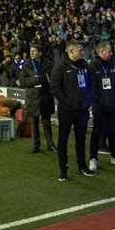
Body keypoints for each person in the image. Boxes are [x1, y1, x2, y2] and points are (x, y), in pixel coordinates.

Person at [50, 40, 95, 181]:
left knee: (81, 139)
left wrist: (89, 100)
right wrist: (69, 102)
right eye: (79, 50)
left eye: (82, 50)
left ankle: (82, 166)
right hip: (67, 111)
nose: (82, 52)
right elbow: (55, 89)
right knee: (63, 140)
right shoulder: (60, 67)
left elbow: (92, 84)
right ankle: (63, 171)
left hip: (82, 110)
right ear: (70, 51)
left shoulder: (84, 65)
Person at [88, 41, 115, 172]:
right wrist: (97, 99)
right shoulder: (92, 66)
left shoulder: (112, 65)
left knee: (112, 131)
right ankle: (93, 158)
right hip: (99, 106)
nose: (111, 53)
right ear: (101, 52)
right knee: (96, 132)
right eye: (108, 51)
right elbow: (89, 86)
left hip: (113, 104)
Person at [19, 44, 56, 154]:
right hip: (33, 96)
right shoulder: (26, 65)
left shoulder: (49, 64)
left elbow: (53, 78)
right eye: (31, 51)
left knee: (46, 122)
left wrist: (44, 80)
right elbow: (22, 81)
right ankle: (36, 145)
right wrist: (37, 80)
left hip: (45, 95)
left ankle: (51, 144)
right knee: (34, 122)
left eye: (34, 51)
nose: (32, 53)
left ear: (40, 53)